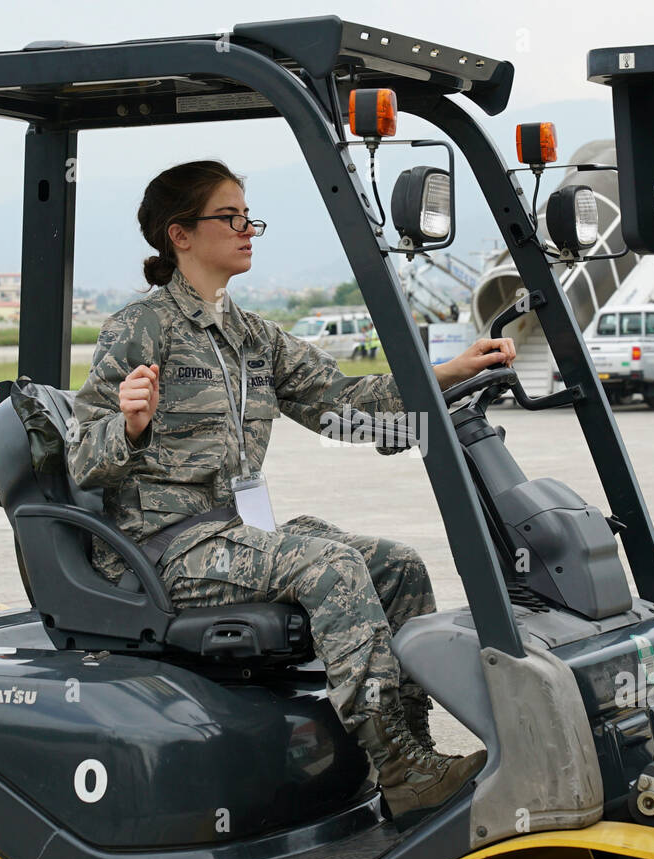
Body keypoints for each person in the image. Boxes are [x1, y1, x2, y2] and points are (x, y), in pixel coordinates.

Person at [68, 160, 516, 823]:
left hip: (233, 535)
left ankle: (410, 752)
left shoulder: (253, 338)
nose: (248, 229)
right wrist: (128, 426)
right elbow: (79, 455)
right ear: (180, 235)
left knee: (396, 564)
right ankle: (399, 763)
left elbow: (346, 403)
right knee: (327, 563)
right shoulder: (142, 328)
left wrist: (444, 375)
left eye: (250, 215)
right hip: (162, 550)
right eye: (230, 216)